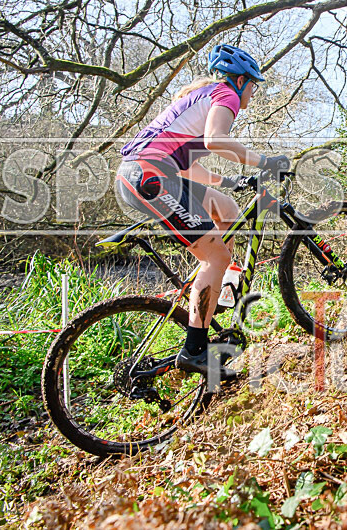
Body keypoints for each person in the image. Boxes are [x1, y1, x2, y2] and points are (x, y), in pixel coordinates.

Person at [115, 44, 290, 377]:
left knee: (227, 209)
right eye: (253, 85)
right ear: (241, 81)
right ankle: (195, 351)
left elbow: (188, 170)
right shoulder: (227, 95)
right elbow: (215, 140)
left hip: (145, 173)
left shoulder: (199, 99)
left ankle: (221, 291)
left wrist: (231, 180)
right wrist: (266, 162)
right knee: (216, 256)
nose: (251, 94)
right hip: (150, 177)